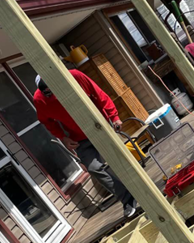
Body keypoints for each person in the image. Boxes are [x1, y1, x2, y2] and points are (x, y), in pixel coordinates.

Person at [33, 69, 138, 219]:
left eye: (53, 90)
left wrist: (114, 117)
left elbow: (99, 94)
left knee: (120, 159)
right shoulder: (39, 100)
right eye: (48, 92)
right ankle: (127, 199)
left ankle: (142, 188)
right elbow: (46, 121)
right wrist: (62, 137)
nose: (52, 94)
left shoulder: (74, 76)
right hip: (79, 138)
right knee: (94, 168)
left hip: (99, 126)